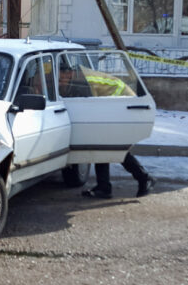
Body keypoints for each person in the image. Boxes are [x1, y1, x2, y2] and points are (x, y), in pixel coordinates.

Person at [56, 59, 156, 199]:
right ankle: (104, 187)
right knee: (102, 147)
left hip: (123, 106)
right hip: (117, 105)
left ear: (69, 73)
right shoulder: (78, 76)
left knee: (113, 148)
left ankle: (144, 178)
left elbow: (84, 106)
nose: (60, 82)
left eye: (61, 78)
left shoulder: (82, 81)